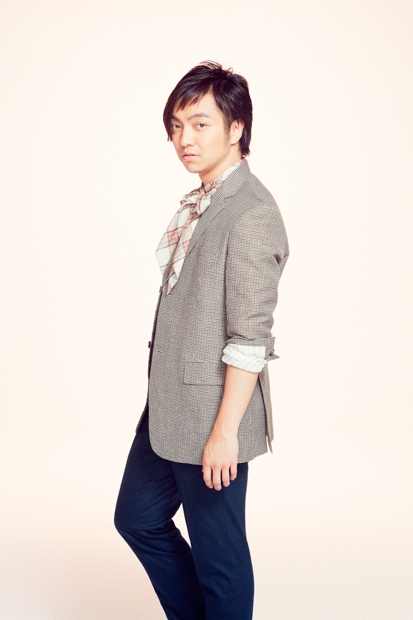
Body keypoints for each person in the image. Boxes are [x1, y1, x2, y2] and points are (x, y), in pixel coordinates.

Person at [115, 61, 289, 620]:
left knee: (220, 558)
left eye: (199, 124)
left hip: (214, 418)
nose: (183, 139)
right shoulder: (205, 201)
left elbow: (249, 339)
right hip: (169, 410)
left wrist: (225, 434)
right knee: (137, 518)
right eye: (176, 126)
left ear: (237, 127)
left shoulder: (251, 213)